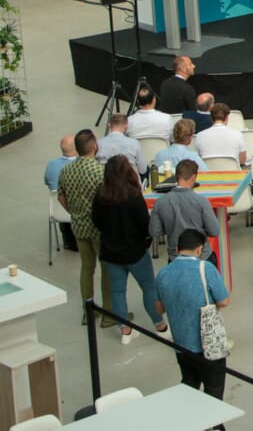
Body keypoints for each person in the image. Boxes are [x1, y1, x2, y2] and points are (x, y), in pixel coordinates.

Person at [91, 154, 167, 343]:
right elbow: (145, 225)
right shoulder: (133, 196)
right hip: (135, 252)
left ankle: (125, 331)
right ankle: (160, 326)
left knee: (117, 291)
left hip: (110, 252)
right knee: (149, 287)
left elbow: (96, 221)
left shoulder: (100, 195)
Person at [154, 229, 229, 399]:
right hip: (208, 344)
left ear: (178, 248)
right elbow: (224, 301)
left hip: (181, 344)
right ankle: (215, 425)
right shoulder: (206, 268)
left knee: (189, 386)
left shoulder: (163, 274)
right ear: (198, 249)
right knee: (214, 390)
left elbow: (159, 308)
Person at [59, 129, 113, 323]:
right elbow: (109, 199)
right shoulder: (101, 171)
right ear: (94, 146)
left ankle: (88, 311)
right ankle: (109, 313)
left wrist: (73, 212)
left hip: (79, 226)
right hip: (100, 228)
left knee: (86, 268)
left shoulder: (66, 171)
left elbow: (61, 196)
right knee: (106, 268)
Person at [149, 159, 220, 264]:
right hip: (202, 257)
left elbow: (154, 231)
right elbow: (214, 231)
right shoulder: (201, 202)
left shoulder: (160, 202)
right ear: (193, 178)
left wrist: (170, 227)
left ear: (176, 177)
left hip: (175, 258)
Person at [44, 134, 78, 250]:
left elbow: (47, 182)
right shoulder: (82, 165)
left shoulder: (51, 164)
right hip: (78, 211)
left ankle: (68, 241)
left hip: (58, 211)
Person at [195, 102, 247, 166]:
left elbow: (198, 159)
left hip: (208, 174)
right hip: (232, 174)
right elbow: (242, 161)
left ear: (211, 117)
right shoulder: (238, 134)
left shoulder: (199, 136)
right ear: (227, 117)